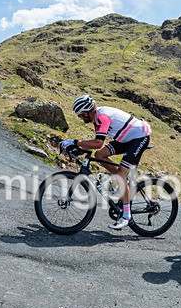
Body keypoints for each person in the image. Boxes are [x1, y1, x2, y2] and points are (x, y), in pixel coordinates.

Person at [60, 94, 151, 230]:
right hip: (126, 139)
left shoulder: (102, 117)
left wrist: (75, 142)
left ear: (86, 112)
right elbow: (97, 146)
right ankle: (123, 180)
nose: (80, 118)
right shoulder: (96, 119)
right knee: (100, 155)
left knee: (120, 175)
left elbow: (98, 143)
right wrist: (78, 147)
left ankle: (126, 217)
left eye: (80, 115)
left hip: (140, 137)